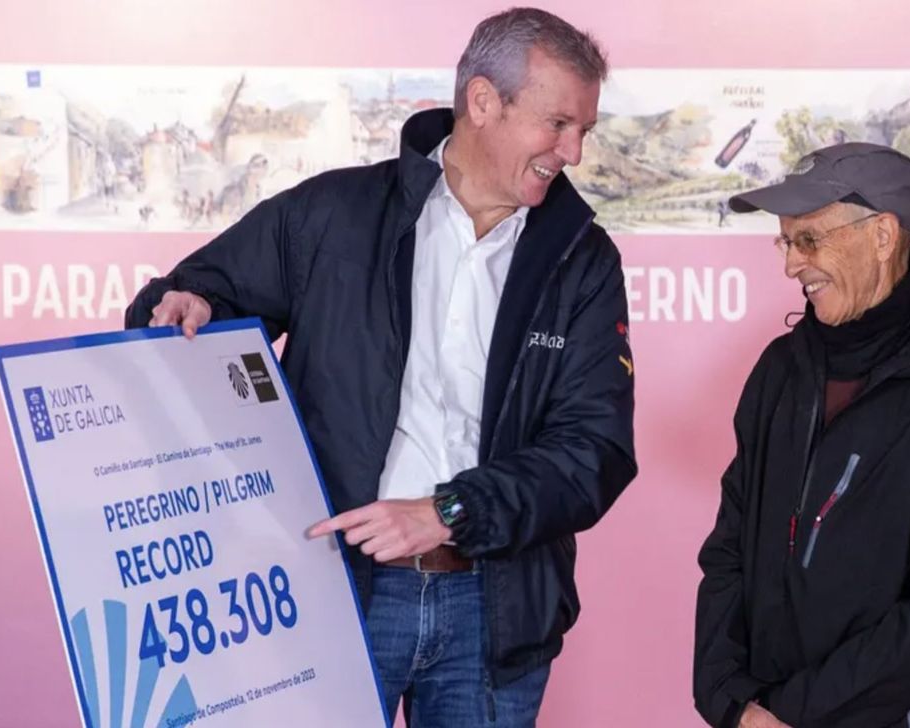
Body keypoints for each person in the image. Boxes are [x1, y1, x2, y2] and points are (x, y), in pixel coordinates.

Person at [125, 8, 636, 725]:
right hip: (334, 599)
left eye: (585, 129)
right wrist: (181, 306)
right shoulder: (333, 214)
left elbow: (595, 451)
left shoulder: (582, 260)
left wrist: (450, 513)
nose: (574, 152)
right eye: (558, 124)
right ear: (484, 101)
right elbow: (195, 294)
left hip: (497, 618)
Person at [694, 143, 910, 728]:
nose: (792, 265)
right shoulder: (779, 372)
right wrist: (731, 701)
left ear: (884, 237)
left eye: (809, 240)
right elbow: (728, 552)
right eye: (785, 242)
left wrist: (793, 713)